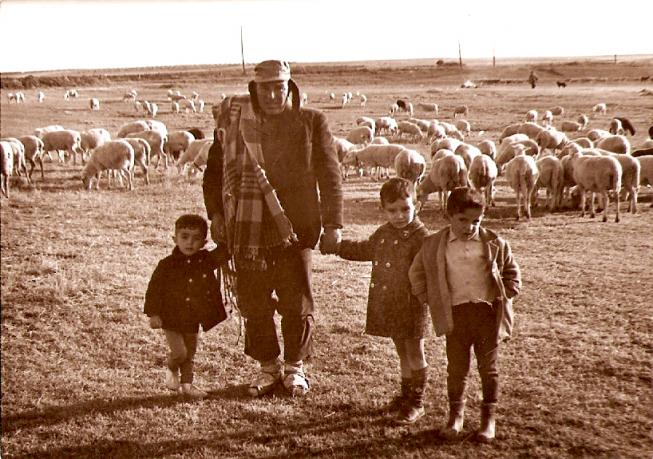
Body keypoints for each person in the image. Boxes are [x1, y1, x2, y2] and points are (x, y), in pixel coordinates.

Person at [203, 60, 343, 397]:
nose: (272, 95)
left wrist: (333, 224)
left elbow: (330, 174)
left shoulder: (311, 121)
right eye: (265, 88)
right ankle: (268, 367)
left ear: (289, 88)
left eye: (279, 87)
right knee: (254, 302)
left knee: (297, 301)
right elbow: (214, 173)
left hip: (297, 228)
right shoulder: (236, 126)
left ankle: (295, 367)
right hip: (248, 229)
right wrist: (217, 215)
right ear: (255, 90)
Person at [408, 187, 521, 442]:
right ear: (448, 216)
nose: (470, 227)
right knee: (456, 369)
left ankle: (488, 419)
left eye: (476, 221)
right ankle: (455, 416)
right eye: (462, 220)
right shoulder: (434, 245)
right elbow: (417, 274)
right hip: (455, 316)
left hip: (487, 315)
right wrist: (430, 299)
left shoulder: (494, 242)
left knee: (488, 369)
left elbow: (511, 272)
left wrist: (506, 293)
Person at [322, 177, 430, 423]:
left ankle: (416, 402)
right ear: (383, 210)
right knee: (401, 350)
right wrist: (337, 247)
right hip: (390, 303)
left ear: (417, 205)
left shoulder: (422, 238)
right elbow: (365, 249)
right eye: (392, 210)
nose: (399, 216)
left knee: (414, 351)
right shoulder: (384, 233)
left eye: (405, 209)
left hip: (413, 305)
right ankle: (405, 395)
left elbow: (434, 272)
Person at [144, 214, 229, 398]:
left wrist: (225, 231)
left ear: (204, 242)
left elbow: (225, 252)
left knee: (190, 354)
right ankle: (171, 366)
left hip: (193, 318)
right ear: (175, 239)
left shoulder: (205, 260)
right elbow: (154, 290)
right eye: (184, 237)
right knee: (180, 353)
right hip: (170, 318)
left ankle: (187, 386)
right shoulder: (166, 265)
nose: (190, 243)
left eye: (196, 238)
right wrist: (153, 314)